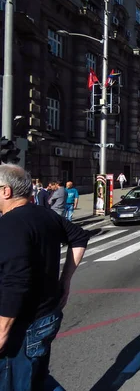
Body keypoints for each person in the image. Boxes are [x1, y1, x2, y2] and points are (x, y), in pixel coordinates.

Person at [0, 164, 89, 389]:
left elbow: (15, 282)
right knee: (38, 380)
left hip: (23, 324)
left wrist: (2, 331)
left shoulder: (10, 224)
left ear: (6, 191)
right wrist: (65, 281)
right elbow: (79, 238)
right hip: (47, 315)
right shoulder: (44, 214)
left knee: (18, 383)